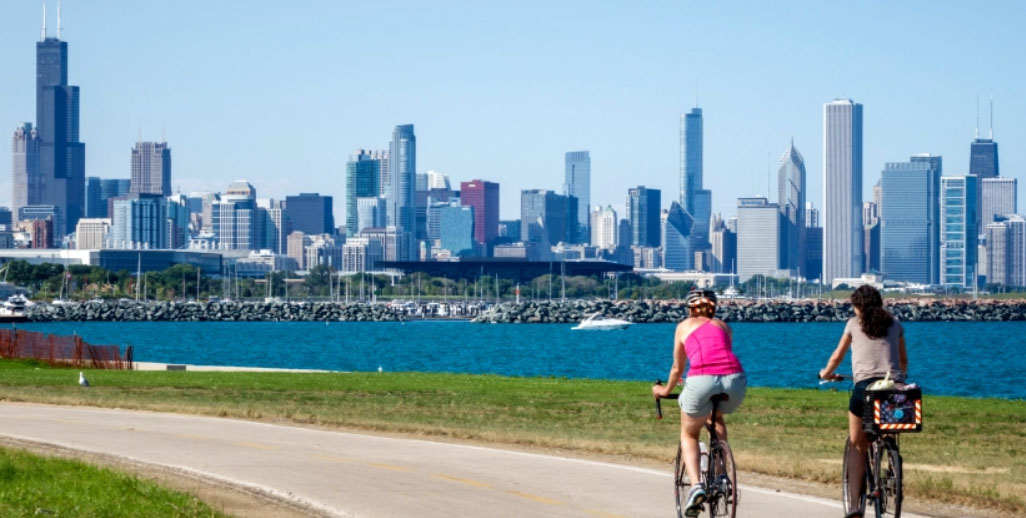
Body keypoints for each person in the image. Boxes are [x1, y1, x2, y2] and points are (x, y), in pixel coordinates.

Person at [652, 287, 747, 516]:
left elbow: (678, 369)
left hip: (701, 379)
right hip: (736, 379)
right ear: (714, 308)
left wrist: (665, 390)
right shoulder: (725, 327)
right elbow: (719, 359)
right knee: (718, 418)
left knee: (689, 433)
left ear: (690, 308)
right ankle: (722, 476)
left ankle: (696, 486)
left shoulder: (683, 326)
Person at [819, 285, 908, 518]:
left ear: (857, 306)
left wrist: (826, 374)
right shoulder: (895, 323)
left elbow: (837, 356)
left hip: (865, 387)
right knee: (887, 424)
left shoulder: (853, 324)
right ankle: (889, 462)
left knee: (858, 444)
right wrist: (900, 377)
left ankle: (855, 506)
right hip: (894, 386)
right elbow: (903, 361)